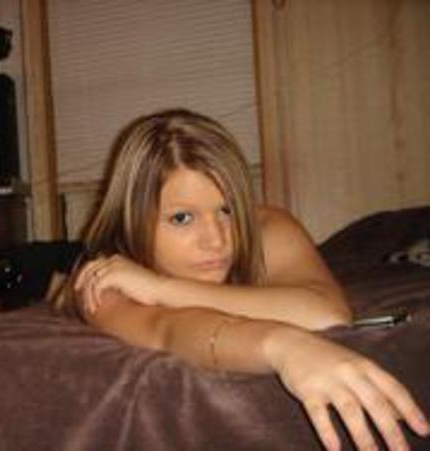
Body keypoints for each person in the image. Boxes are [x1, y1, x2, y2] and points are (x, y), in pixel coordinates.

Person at [49, 108, 429, 450]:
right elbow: (168, 331)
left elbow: (325, 313)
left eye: (227, 209)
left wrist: (164, 289)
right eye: (182, 218)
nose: (216, 240)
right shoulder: (103, 277)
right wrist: (282, 347)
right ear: (134, 219)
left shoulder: (264, 225)